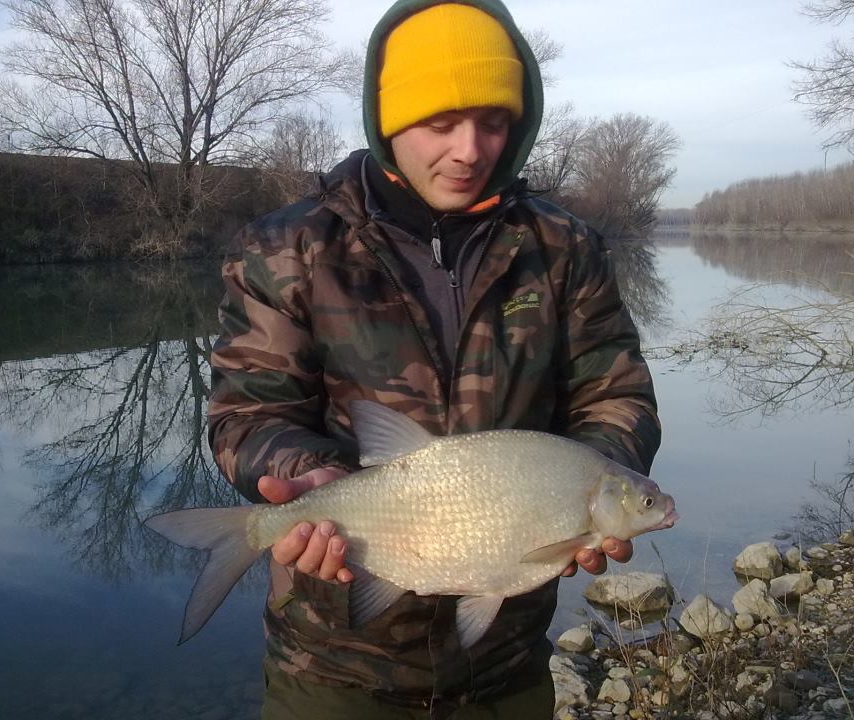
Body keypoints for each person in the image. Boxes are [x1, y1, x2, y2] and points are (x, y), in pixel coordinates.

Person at [207, 0, 661, 717]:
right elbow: (247, 414)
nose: (471, 150)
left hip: (506, 660)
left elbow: (617, 396)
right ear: (387, 119)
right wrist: (305, 479)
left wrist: (591, 484)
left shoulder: (563, 248)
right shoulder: (287, 248)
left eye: (493, 121)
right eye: (441, 123)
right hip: (331, 664)